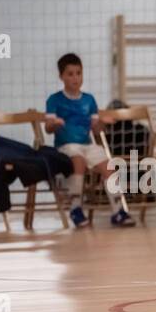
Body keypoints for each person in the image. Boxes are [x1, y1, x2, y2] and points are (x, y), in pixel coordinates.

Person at [43, 53, 135, 228]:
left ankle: (118, 211)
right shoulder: (54, 100)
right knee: (79, 162)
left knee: (109, 166)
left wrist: (102, 123)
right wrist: (54, 124)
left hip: (87, 144)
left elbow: (96, 129)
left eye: (78, 73)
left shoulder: (89, 100)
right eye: (70, 74)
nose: (75, 78)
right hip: (66, 146)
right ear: (61, 76)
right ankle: (76, 209)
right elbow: (48, 128)